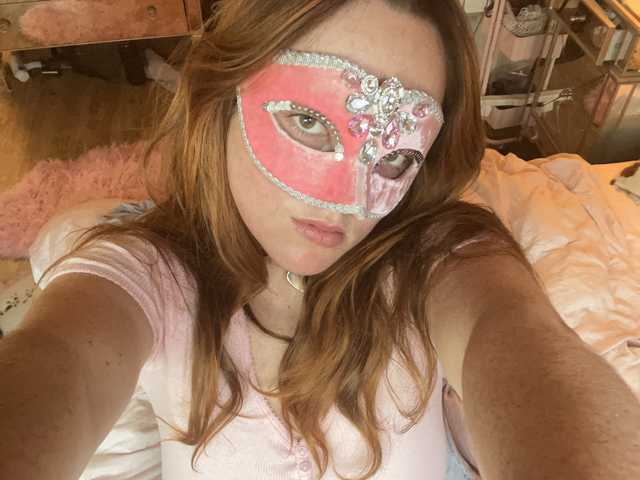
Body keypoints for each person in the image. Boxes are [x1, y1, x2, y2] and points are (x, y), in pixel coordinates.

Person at [1, 1, 639, 479]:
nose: (346, 200)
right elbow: (61, 358)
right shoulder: (148, 271)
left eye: (395, 156)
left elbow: (514, 336)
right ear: (219, 96)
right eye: (308, 121)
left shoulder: (437, 257)